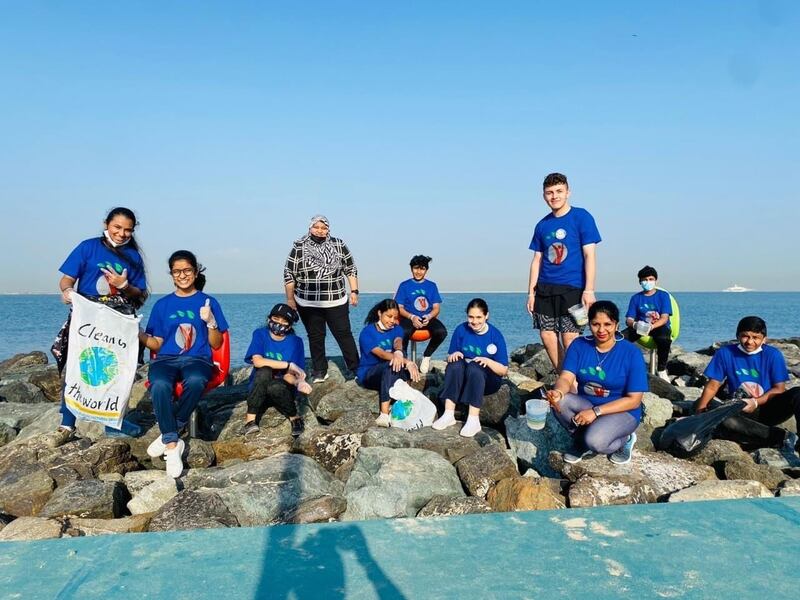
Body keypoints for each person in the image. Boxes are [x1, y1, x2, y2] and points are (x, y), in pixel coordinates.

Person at [54, 207, 148, 436]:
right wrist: (67, 291)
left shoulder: (133, 256)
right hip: (87, 318)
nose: (122, 233)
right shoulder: (88, 247)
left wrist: (124, 285)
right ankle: (67, 424)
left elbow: (141, 295)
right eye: (117, 227)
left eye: (128, 230)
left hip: (118, 320)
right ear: (106, 224)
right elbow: (66, 280)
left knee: (116, 370)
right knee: (79, 365)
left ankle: (112, 422)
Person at [139, 250, 229, 478]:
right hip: (166, 359)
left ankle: (169, 433)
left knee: (197, 380)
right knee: (158, 384)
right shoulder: (162, 305)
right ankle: (173, 444)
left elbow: (217, 343)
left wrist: (210, 322)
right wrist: (137, 333)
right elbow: (156, 343)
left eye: (187, 270)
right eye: (177, 271)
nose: (182, 275)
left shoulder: (209, 302)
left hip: (197, 358)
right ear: (171, 274)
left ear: (195, 271)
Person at [545, 301, 647, 465]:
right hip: (586, 404)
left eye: (607, 324)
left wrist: (596, 412)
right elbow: (566, 378)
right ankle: (580, 441)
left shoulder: (631, 352)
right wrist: (558, 392)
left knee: (596, 442)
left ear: (616, 325)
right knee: (560, 401)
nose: (601, 330)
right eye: (595, 324)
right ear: (589, 324)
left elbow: (634, 400)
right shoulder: (579, 345)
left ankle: (625, 439)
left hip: (622, 410)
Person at [527, 172, 601, 372]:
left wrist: (589, 290)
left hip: (573, 289)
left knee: (570, 337)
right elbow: (537, 260)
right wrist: (531, 293)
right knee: (546, 335)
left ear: (568, 192)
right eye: (549, 192)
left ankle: (578, 379)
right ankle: (565, 379)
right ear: (544, 195)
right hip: (544, 289)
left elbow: (589, 256)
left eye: (559, 191)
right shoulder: (542, 225)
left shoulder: (582, 217)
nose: (554, 196)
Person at [693, 316, 800, 454]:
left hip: (768, 408)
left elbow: (779, 389)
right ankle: (781, 437)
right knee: (704, 407)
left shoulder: (773, 354)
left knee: (798, 393)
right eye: (745, 336)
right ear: (737, 336)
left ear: (764, 339)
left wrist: (755, 402)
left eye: (755, 337)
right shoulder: (725, 353)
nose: (750, 342)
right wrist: (699, 414)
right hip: (740, 409)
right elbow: (713, 385)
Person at [284, 215, 360, 383]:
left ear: (328, 229)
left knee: (344, 334)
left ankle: (354, 367)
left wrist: (354, 291)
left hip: (336, 299)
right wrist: (290, 299)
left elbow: (350, 268)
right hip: (307, 301)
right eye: (316, 227)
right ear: (310, 227)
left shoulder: (338, 244)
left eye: (323, 227)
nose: (320, 230)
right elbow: (289, 273)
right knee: (315, 335)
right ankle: (320, 370)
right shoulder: (299, 246)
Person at [431, 298, 509, 438]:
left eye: (479, 317)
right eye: (471, 317)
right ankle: (449, 414)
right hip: (465, 378)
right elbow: (449, 357)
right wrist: (454, 354)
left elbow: (503, 370)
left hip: (488, 380)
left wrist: (487, 361)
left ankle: (473, 419)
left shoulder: (495, 335)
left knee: (475, 366)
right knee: (455, 364)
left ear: (486, 316)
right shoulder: (461, 330)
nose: (474, 321)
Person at [242, 303, 311, 438]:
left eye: (284, 320)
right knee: (264, 370)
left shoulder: (295, 341)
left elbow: (289, 376)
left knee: (275, 386)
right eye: (276, 318)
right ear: (269, 319)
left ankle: (294, 418)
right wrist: (288, 365)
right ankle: (250, 421)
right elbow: (257, 361)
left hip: (281, 389)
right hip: (259, 387)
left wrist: (299, 382)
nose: (279, 322)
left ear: (290, 326)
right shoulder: (260, 334)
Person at [357, 299, 420, 427]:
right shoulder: (367, 332)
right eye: (389, 316)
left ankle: (403, 402)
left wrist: (398, 352)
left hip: (391, 370)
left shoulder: (397, 329)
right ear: (380, 314)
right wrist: (406, 361)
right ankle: (384, 414)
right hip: (370, 373)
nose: (392, 321)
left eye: (395, 317)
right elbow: (381, 354)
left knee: (403, 367)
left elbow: (398, 341)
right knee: (391, 365)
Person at [394, 254, 448, 375]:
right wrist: (412, 317)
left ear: (426, 270)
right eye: (416, 268)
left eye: (422, 268)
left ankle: (426, 356)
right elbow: (400, 307)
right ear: (411, 268)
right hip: (409, 317)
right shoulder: (404, 285)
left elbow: (436, 308)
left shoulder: (432, 286)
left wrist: (429, 317)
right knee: (403, 332)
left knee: (442, 332)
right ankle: (405, 360)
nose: (418, 271)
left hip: (427, 317)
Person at [621, 265, 673, 381]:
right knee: (619, 339)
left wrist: (652, 326)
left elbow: (664, 318)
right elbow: (629, 319)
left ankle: (661, 369)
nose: (647, 282)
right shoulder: (636, 298)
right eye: (644, 280)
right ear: (640, 282)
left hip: (658, 326)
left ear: (655, 280)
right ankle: (621, 367)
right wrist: (635, 324)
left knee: (664, 339)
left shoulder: (663, 296)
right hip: (640, 326)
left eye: (650, 279)